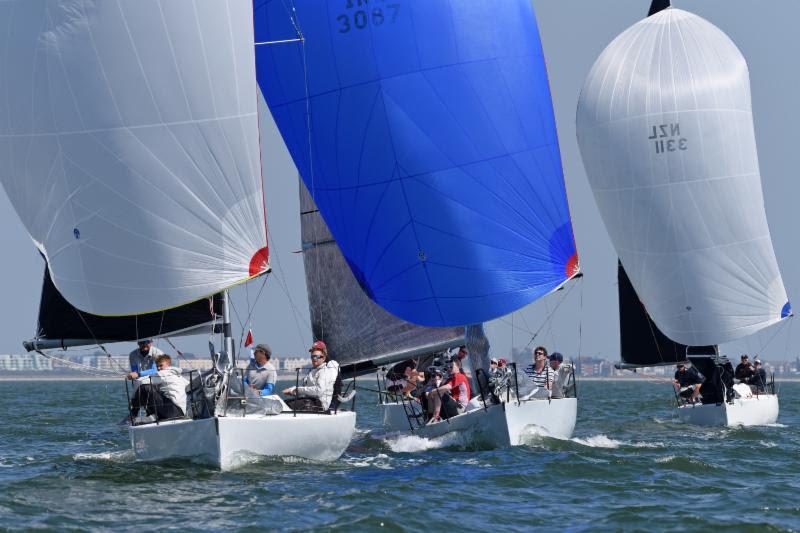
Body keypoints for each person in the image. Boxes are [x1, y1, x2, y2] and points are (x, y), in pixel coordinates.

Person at [127, 354, 188, 423]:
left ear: (168, 364)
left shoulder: (163, 373)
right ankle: (153, 416)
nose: (158, 368)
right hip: (181, 413)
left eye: (161, 365)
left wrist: (133, 399)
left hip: (171, 410)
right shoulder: (179, 376)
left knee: (145, 387)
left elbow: (141, 382)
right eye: (157, 366)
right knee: (155, 388)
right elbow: (189, 386)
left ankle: (133, 415)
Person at [282, 340, 339, 411]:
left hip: (319, 404)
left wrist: (297, 390)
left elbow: (319, 391)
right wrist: (292, 391)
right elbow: (305, 389)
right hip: (310, 400)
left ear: (324, 358)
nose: (314, 359)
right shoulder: (312, 371)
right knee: (283, 404)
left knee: (285, 406)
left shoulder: (324, 371)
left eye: (317, 356)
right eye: (312, 356)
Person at [426, 358, 471, 422]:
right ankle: (430, 418)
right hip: (454, 406)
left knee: (438, 393)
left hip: (460, 408)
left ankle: (435, 417)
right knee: (433, 394)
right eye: (447, 366)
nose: (449, 368)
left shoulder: (459, 376)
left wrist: (432, 392)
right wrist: (432, 383)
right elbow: (439, 388)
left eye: (451, 366)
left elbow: (447, 387)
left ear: (458, 367)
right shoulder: (450, 378)